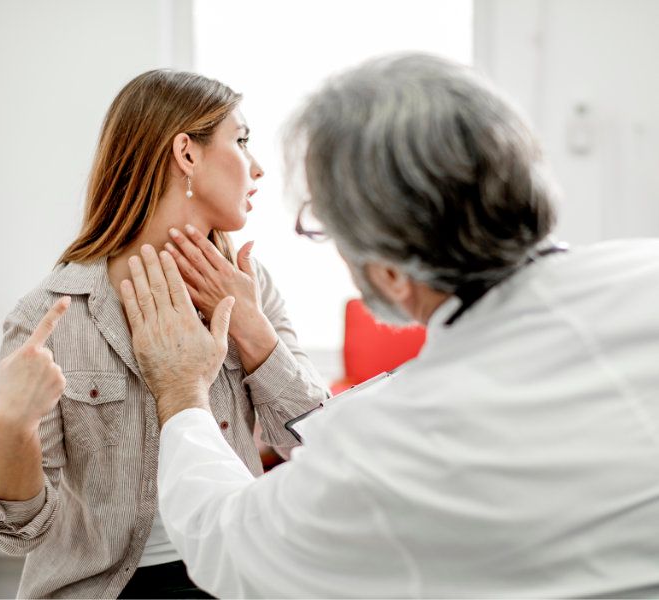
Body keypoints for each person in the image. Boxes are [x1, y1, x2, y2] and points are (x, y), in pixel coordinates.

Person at [122, 53, 659, 598]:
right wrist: (257, 338)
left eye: (321, 227)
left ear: (391, 272)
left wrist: (182, 393)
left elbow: (227, 548)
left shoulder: (390, 447)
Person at [0, 70, 327, 599]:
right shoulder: (50, 315)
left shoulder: (250, 286)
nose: (258, 167)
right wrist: (12, 427)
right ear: (187, 153)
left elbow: (312, 446)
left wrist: (255, 335)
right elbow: (18, 531)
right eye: (241, 139)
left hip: (229, 575)